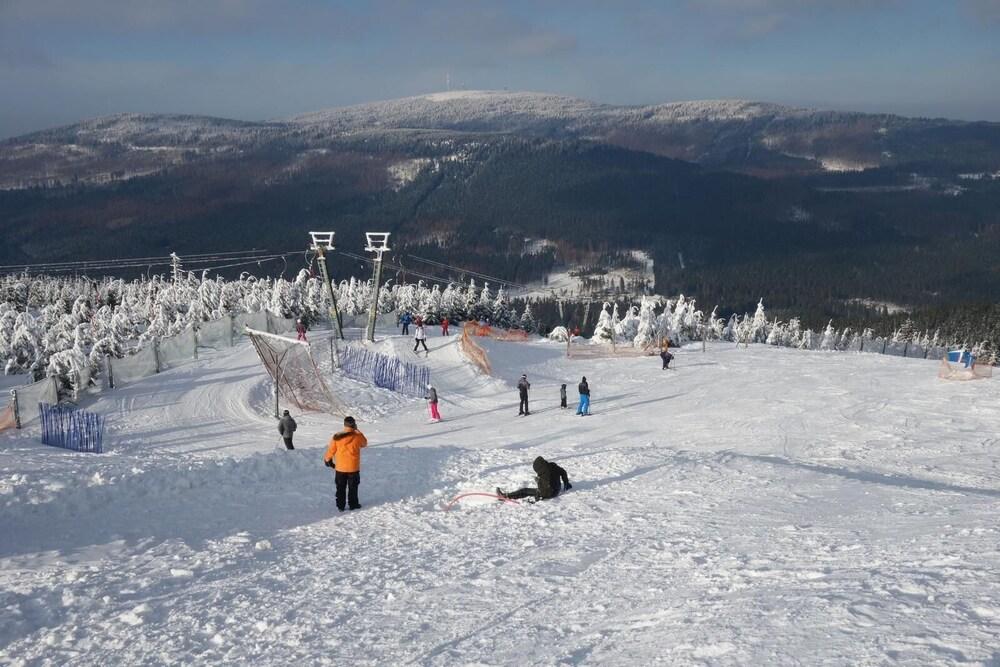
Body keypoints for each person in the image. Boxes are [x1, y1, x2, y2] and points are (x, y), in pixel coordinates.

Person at [323, 415, 368, 511]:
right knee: (353, 488)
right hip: (353, 468)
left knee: (340, 487)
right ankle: (353, 504)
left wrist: (327, 459)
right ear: (354, 425)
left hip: (340, 468)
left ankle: (340, 506)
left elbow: (331, 450)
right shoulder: (357, 436)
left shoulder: (337, 437)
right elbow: (364, 443)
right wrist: (357, 430)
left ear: (344, 425)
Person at [497, 456, 572, 501]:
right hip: (557, 489)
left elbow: (543, 490)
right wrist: (566, 482)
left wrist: (538, 483)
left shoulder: (544, 475)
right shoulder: (552, 466)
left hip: (550, 493)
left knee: (524, 491)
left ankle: (505, 496)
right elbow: (563, 472)